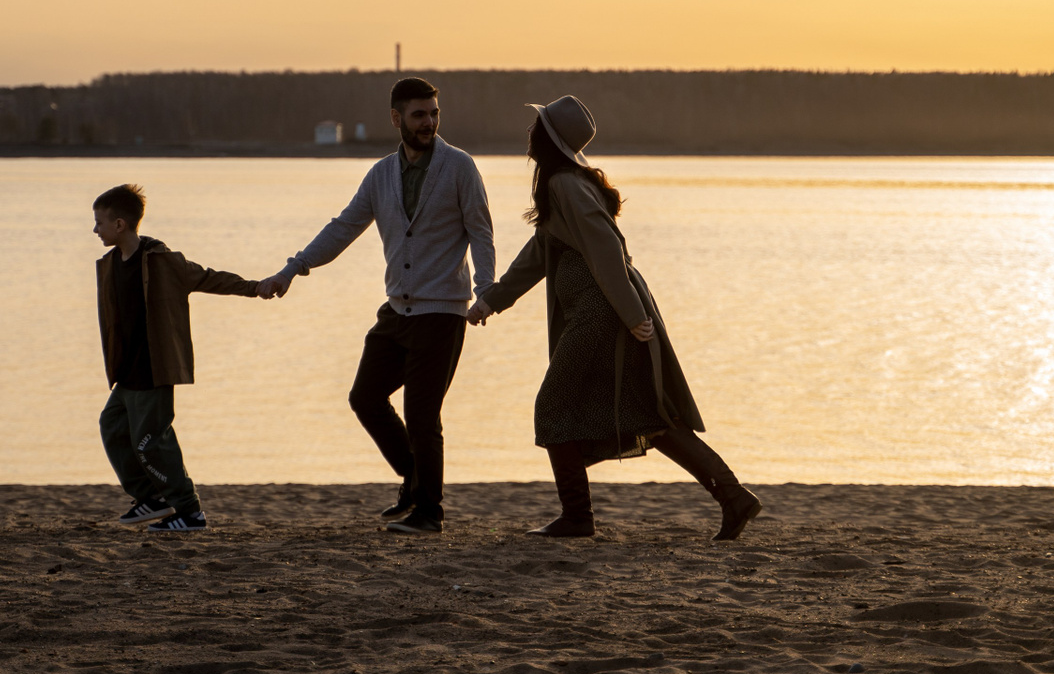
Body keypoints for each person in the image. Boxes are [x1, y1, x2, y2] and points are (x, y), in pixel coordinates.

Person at [468, 96, 761, 541]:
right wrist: (492, 300)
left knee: (553, 407)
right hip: (600, 311)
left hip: (599, 313)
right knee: (645, 412)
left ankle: (577, 517)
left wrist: (632, 314)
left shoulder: (564, 184)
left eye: (537, 125)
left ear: (550, 138)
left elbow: (607, 248)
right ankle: (733, 497)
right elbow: (539, 253)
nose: (529, 131)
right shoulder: (564, 182)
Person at [259, 77, 496, 534]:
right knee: (365, 398)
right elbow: (343, 227)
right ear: (396, 118)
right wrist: (293, 268)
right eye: (419, 115)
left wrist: (486, 290)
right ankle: (414, 479)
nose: (429, 123)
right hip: (397, 310)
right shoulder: (381, 174)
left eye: (434, 114)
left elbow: (480, 231)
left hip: (443, 310)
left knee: (421, 414)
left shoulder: (459, 166)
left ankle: (429, 512)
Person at [93, 183, 269, 533]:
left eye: (99, 222)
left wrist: (254, 287)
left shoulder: (161, 261)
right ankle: (152, 498)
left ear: (120, 225)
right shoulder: (110, 264)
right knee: (112, 428)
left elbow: (207, 278)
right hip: (126, 372)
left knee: (150, 442)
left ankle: (190, 511)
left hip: (154, 370)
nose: (95, 229)